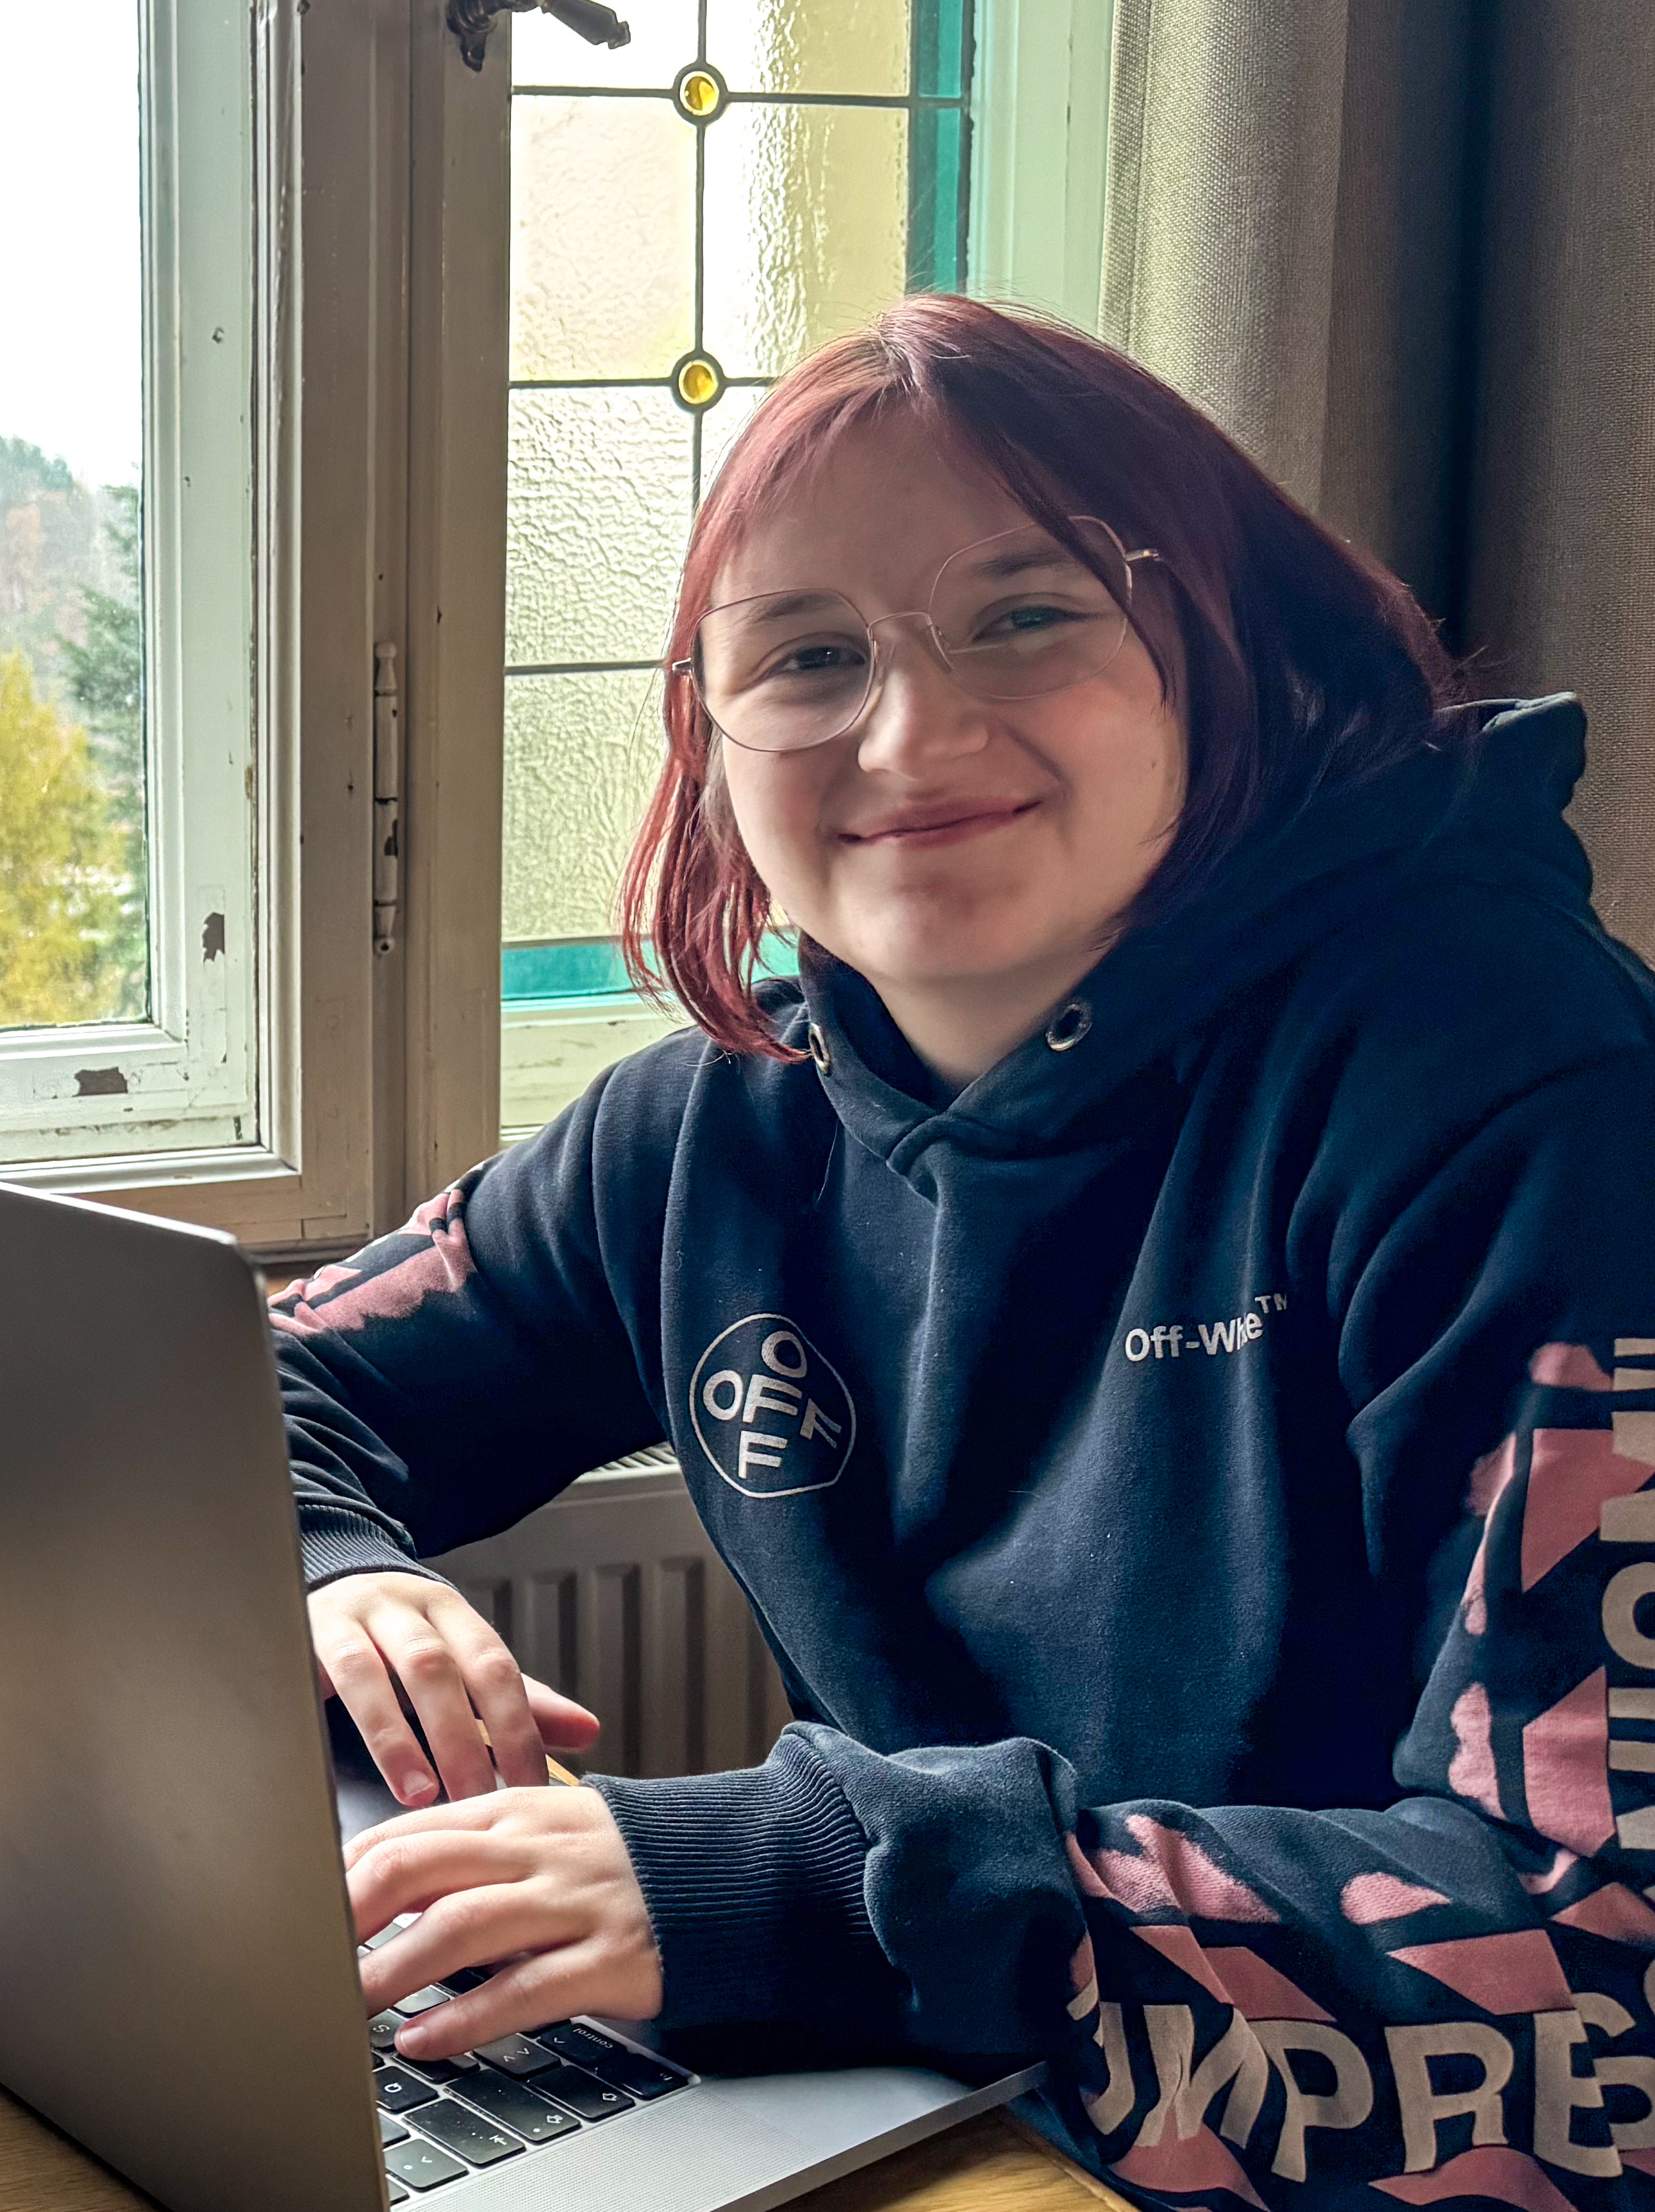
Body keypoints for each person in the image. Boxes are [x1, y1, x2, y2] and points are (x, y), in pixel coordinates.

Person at [277, 294, 1655, 2212]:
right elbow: (250, 1388)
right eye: (805, 656)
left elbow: (1601, 1963)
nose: (909, 733)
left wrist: (826, 1884)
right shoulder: (706, 1131)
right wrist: (333, 1567)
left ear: (1221, 654)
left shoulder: (1517, 1096)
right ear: (711, 742)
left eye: (1025, 616)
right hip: (949, 2121)